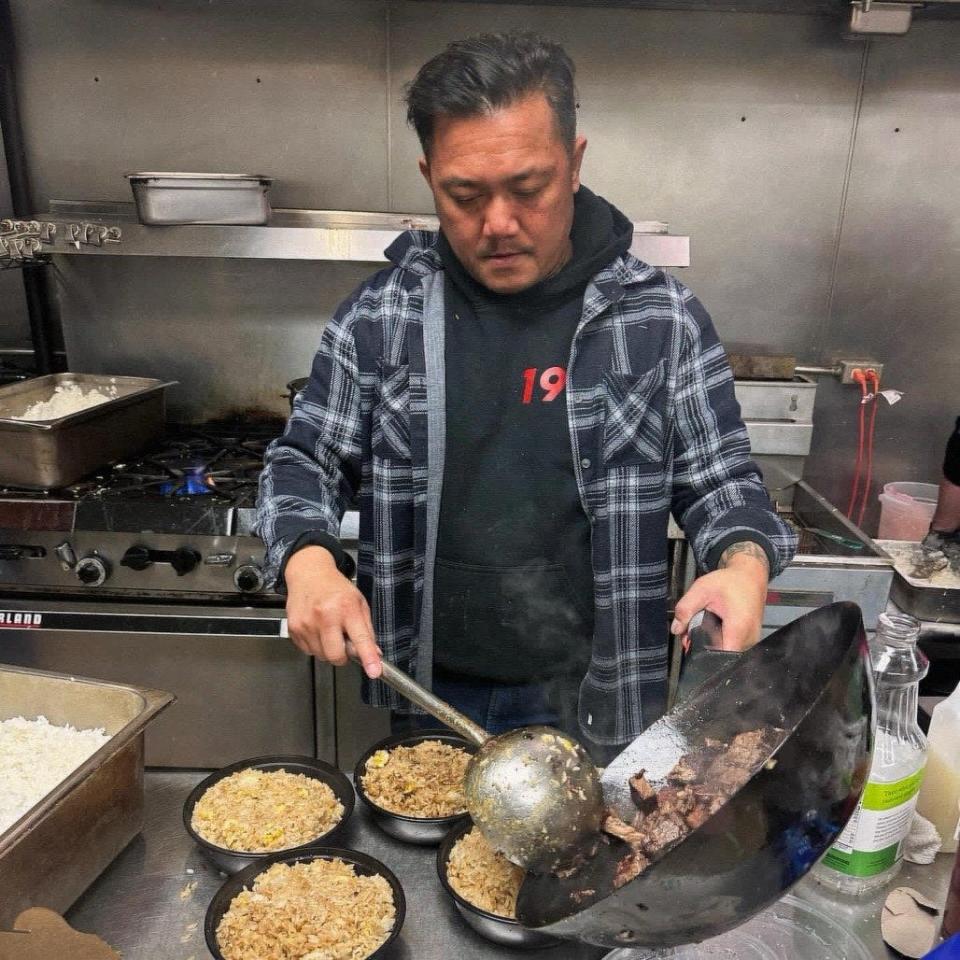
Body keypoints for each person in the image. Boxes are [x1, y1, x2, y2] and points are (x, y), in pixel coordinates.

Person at [256, 32, 797, 759]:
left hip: (598, 692)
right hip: (428, 689)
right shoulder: (381, 318)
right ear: (429, 176)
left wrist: (742, 565)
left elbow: (722, 478)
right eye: (465, 195)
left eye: (528, 188)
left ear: (573, 164)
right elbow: (303, 462)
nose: (499, 223)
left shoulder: (658, 319)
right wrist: (309, 561)